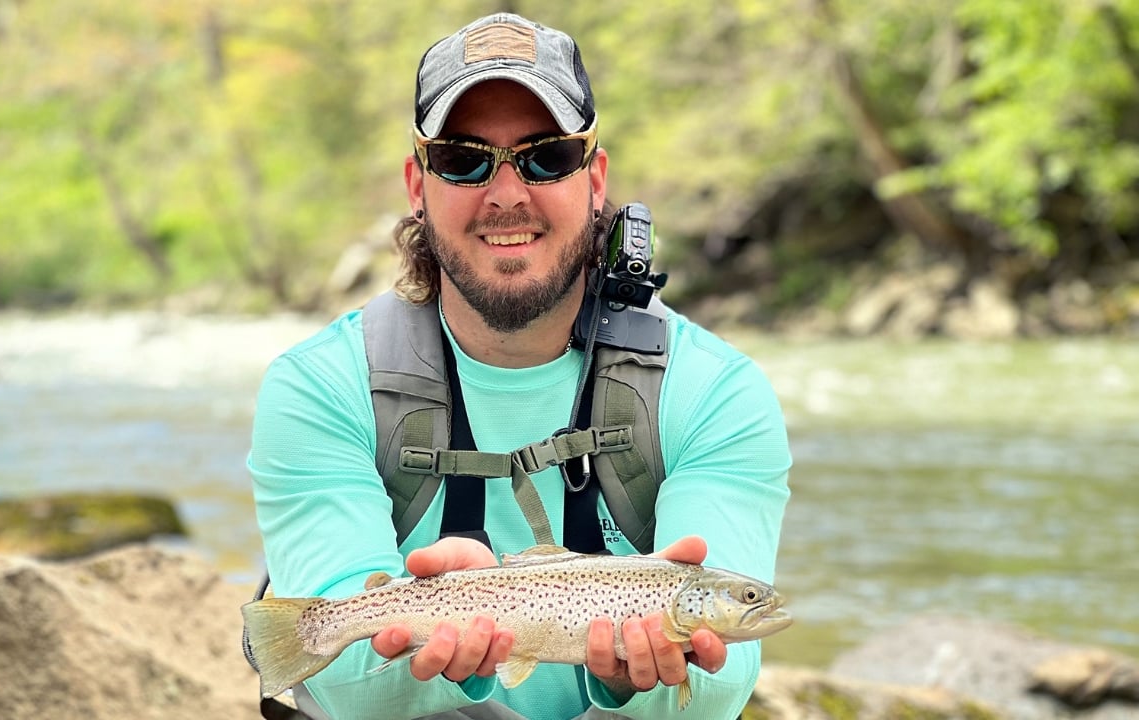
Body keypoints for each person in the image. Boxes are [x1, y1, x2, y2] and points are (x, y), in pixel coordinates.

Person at [248, 12, 791, 720]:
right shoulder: (319, 387)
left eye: (546, 157)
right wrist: (449, 651)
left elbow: (718, 688)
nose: (507, 193)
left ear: (595, 179)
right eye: (465, 160)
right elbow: (346, 688)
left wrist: (635, 679)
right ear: (418, 184)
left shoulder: (717, 392)